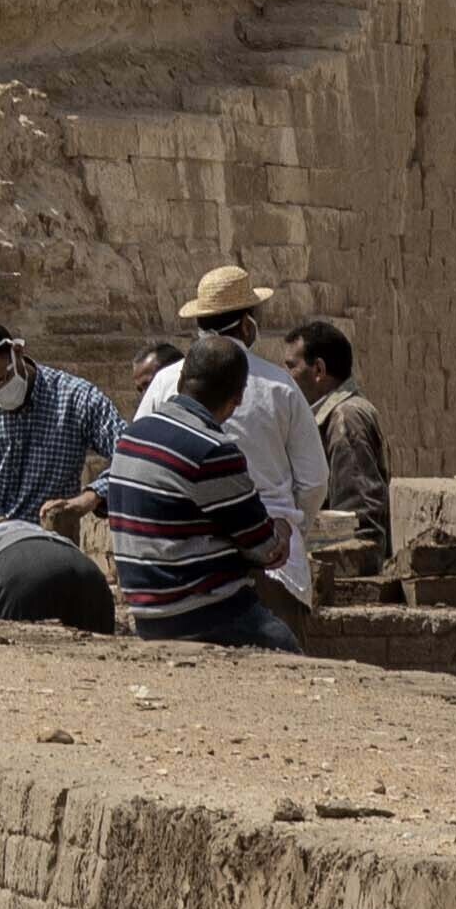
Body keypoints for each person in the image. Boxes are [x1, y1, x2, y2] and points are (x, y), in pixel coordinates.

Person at [96, 334, 298, 651]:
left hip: (147, 613)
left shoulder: (133, 436)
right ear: (238, 398)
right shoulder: (212, 451)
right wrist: (284, 527)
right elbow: (266, 550)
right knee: (287, 651)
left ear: (181, 381)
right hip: (204, 613)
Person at [143, 267, 322, 599]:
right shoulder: (279, 386)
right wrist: (288, 524)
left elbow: (144, 461)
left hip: (185, 560)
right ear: (246, 324)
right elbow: (314, 480)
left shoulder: (165, 382)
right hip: (273, 559)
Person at [0, 320, 121, 532]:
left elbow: (133, 457)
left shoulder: (76, 398)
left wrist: (89, 498)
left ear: (16, 352)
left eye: (3, 380)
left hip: (51, 544)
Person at [287, 316, 395, 579]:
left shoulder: (346, 418)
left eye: (291, 366)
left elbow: (358, 524)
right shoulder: (334, 417)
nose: (286, 377)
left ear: (319, 370)